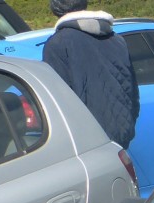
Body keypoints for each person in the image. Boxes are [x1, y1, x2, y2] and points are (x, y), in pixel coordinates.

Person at [42, 0, 139, 148]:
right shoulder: (116, 39)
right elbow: (132, 90)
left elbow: (57, 101)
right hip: (122, 134)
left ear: (55, 9)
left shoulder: (57, 44)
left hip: (88, 141)